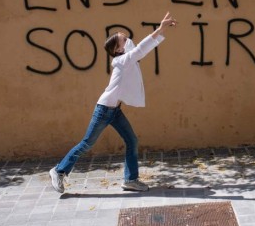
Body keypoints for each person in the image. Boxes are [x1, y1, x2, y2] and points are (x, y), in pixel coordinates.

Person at [49, 12, 177, 194]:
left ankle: (130, 180)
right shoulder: (122, 61)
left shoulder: (127, 60)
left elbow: (139, 50)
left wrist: (160, 31)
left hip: (114, 111)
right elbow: (141, 49)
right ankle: (58, 171)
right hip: (104, 110)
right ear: (118, 49)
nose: (128, 39)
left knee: (131, 140)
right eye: (124, 40)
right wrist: (160, 29)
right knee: (87, 144)